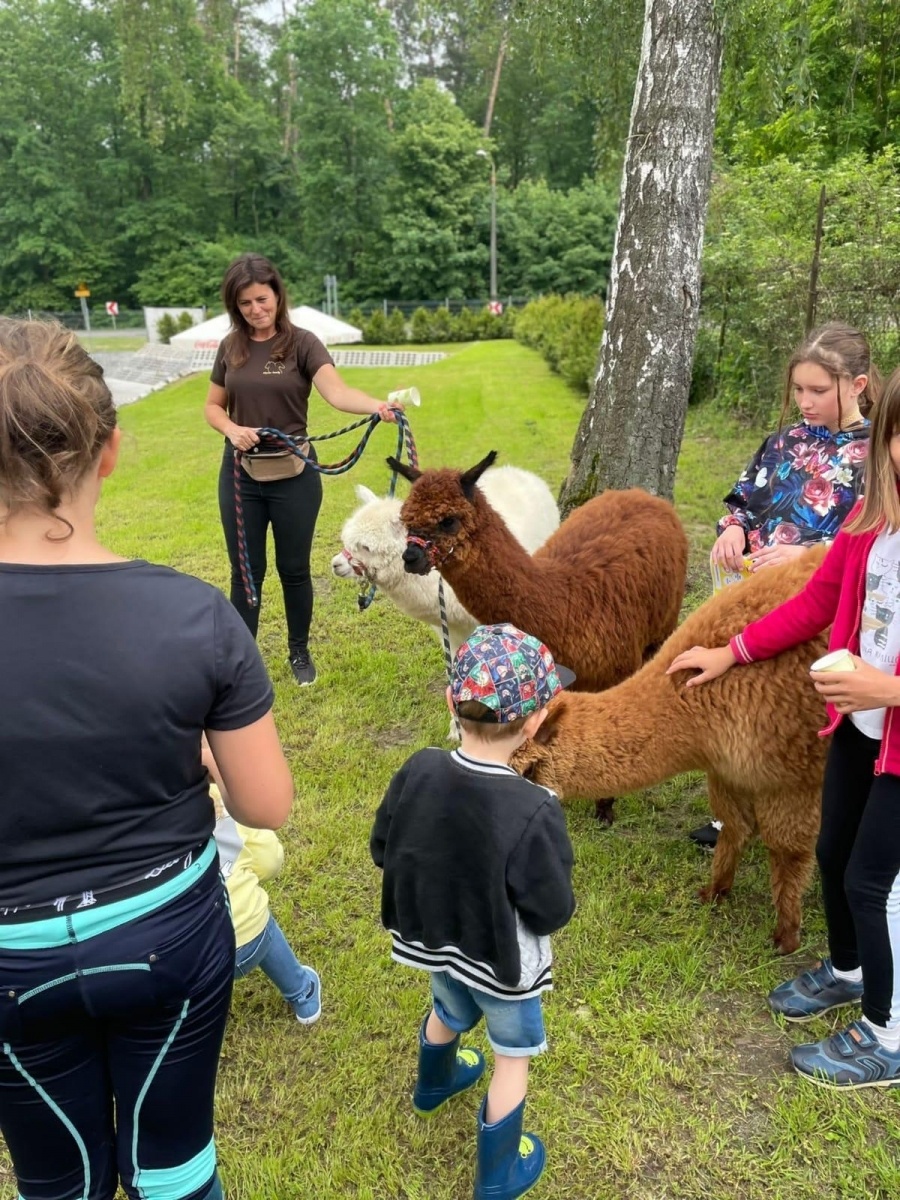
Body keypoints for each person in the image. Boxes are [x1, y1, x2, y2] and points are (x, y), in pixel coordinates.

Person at [0, 319, 294, 1200]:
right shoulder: (196, 617)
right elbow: (267, 804)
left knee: (59, 1182)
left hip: (10, 959)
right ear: (113, 450)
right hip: (165, 935)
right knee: (174, 1168)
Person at [666, 366, 900, 1091]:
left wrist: (884, 688)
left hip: (889, 728)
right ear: (885, 441)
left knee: (876, 884)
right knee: (832, 851)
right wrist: (728, 651)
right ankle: (851, 970)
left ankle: (888, 1039)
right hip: (861, 728)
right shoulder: (870, 533)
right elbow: (810, 607)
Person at [370, 624, 576, 1199]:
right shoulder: (533, 808)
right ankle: (499, 1174)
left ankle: (433, 1085)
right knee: (512, 1057)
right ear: (535, 720)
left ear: (449, 701)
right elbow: (551, 908)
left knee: (448, 1003)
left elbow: (383, 847)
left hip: (435, 940)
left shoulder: (418, 768)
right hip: (503, 966)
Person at [690, 322, 879, 851]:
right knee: (736, 702)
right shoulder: (785, 441)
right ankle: (734, 815)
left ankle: (808, 814)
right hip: (751, 600)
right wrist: (732, 528)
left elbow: (872, 539)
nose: (805, 401)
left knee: (795, 712)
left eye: (818, 390)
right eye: (798, 389)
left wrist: (807, 556)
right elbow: (745, 499)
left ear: (858, 385)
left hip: (818, 609)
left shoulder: (876, 454)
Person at [204, 253, 402, 687]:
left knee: (293, 569)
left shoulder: (303, 343)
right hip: (239, 472)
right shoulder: (230, 348)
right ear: (234, 307)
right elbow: (213, 407)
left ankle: (298, 651)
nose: (256, 310)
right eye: (245, 304)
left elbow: (337, 392)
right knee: (245, 572)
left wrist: (378, 407)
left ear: (277, 294)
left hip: (294, 474)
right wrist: (233, 429)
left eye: (262, 299)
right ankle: (242, 662)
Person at [202, 737, 321, 1024]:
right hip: (251, 937)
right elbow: (269, 860)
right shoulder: (229, 806)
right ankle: (302, 994)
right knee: (256, 915)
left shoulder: (146, 820)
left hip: (192, 956)